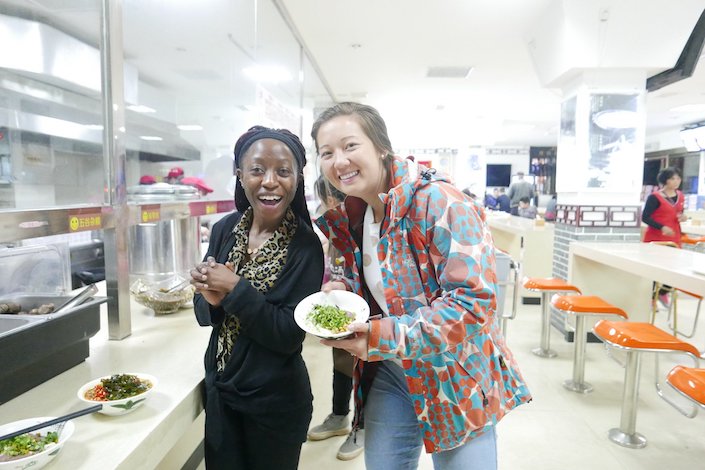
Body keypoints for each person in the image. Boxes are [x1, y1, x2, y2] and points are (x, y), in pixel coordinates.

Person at [311, 102, 531, 470]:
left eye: (350, 146)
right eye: (326, 152)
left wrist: (382, 336)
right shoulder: (356, 214)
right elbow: (379, 286)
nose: (339, 161)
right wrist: (340, 288)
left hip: (455, 374)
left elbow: (473, 301)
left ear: (382, 147)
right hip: (390, 374)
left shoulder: (440, 201)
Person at [190, 126, 324, 470]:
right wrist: (212, 301)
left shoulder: (306, 246)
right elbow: (206, 316)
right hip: (222, 394)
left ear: (297, 179)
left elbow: (288, 334)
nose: (269, 181)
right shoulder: (224, 230)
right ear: (240, 175)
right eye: (257, 169)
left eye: (283, 171)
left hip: (274, 404)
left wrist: (235, 289)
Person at [308, 176, 365, 461]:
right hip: (340, 303)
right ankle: (340, 415)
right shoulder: (332, 228)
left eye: (323, 199)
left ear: (333, 199)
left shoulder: (359, 223)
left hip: (367, 310)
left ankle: (362, 426)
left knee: (366, 366)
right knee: (341, 360)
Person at [642, 167, 687, 307]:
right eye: (673, 178)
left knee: (674, 268)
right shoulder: (655, 197)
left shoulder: (681, 196)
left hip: (674, 237)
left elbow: (679, 212)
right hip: (656, 238)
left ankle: (662, 293)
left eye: (678, 178)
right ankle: (651, 298)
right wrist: (661, 227)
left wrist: (682, 217)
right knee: (655, 269)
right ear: (665, 180)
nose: (676, 181)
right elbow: (645, 217)